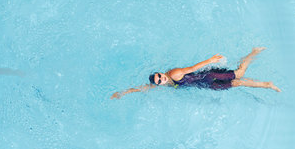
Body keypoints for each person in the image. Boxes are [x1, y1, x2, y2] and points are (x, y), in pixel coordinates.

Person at [111, 47, 281, 99]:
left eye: (160, 76)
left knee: (239, 74)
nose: (162, 79)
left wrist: (211, 60)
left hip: (209, 75)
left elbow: (191, 69)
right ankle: (267, 85)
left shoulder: (175, 74)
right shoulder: (165, 85)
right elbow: (144, 88)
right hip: (206, 85)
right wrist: (123, 93)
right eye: (159, 80)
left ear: (163, 73)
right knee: (237, 83)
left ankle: (253, 53)